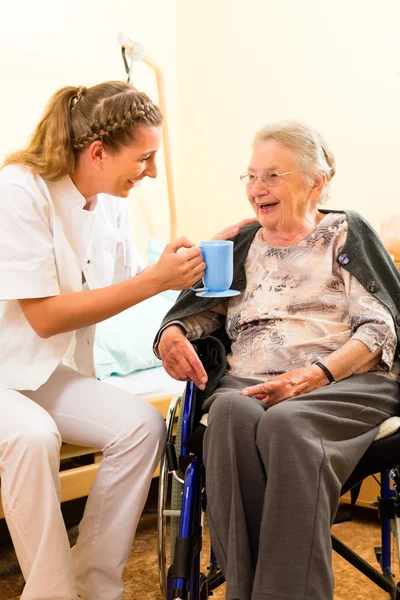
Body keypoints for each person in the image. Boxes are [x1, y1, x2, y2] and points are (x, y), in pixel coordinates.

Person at [0, 81, 254, 600]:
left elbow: (132, 282)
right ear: (97, 152)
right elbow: (45, 319)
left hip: (36, 371)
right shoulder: (18, 191)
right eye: (145, 158)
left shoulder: (108, 200)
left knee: (140, 427)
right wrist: (153, 281)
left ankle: (95, 584)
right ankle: (51, 592)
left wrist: (202, 259)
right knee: (32, 437)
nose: (152, 172)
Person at [155, 121, 400, 600]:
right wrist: (172, 333)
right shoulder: (241, 243)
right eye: (250, 176)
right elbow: (202, 312)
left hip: (344, 382)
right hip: (247, 380)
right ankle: (246, 590)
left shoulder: (346, 232)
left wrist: (312, 376)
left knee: (286, 424)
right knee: (227, 412)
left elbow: (380, 328)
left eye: (272, 176)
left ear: (316, 182)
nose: (256, 189)